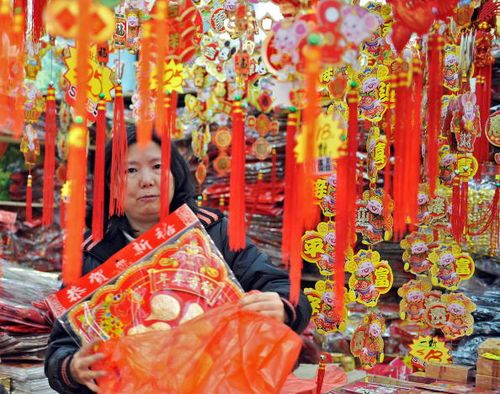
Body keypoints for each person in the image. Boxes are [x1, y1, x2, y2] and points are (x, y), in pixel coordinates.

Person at [45, 125, 312, 393]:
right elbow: (60, 349)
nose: (147, 180)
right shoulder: (92, 255)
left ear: (174, 174)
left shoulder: (212, 232)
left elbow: (284, 290)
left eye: (158, 166)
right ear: (111, 188)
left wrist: (282, 308)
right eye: (130, 171)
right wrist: (72, 368)